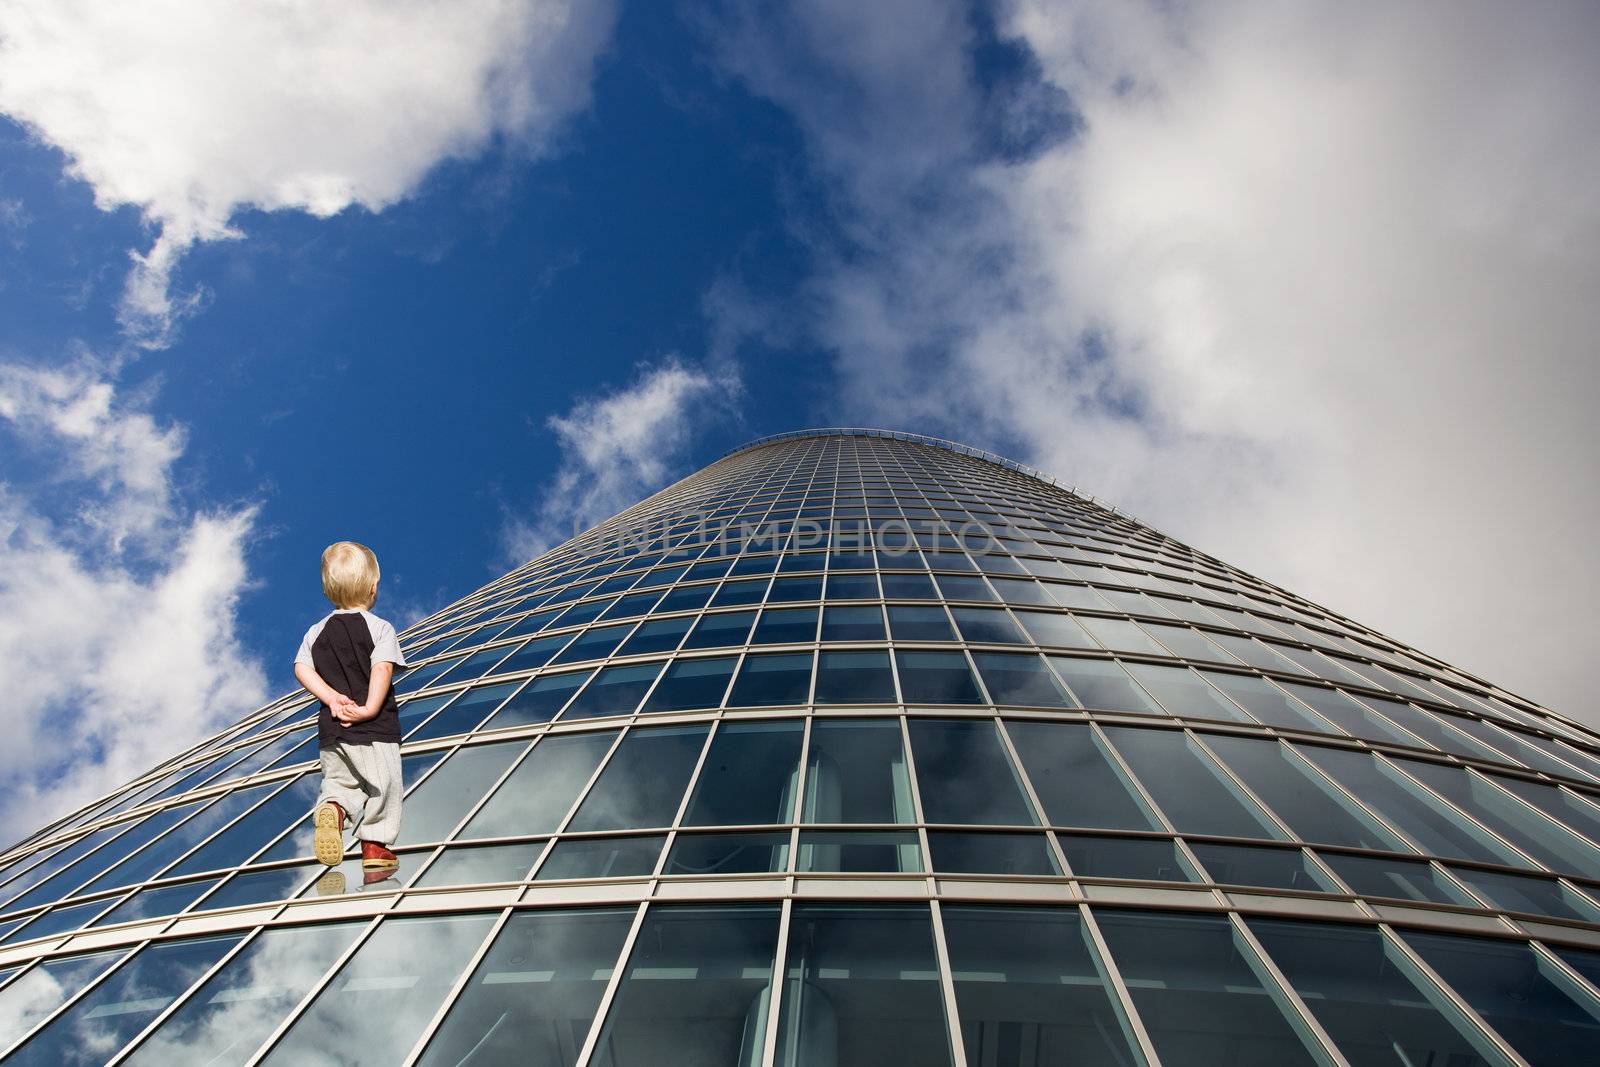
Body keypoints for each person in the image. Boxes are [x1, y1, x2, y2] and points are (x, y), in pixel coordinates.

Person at [293, 541, 408, 877]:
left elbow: (301, 669)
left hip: (332, 731)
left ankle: (333, 809)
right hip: (373, 729)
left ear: (329, 591)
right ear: (373, 588)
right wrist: (369, 708)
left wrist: (331, 698)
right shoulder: (380, 627)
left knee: (341, 782)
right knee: (383, 785)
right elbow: (382, 669)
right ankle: (375, 845)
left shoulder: (315, 632)